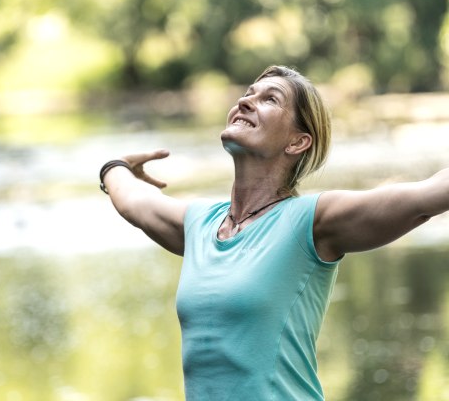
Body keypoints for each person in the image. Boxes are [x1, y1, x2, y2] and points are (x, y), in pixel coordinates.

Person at [99, 65, 448, 400]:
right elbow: (134, 203)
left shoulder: (313, 222)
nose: (245, 101)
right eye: (248, 93)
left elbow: (426, 196)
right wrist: (116, 168)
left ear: (298, 142)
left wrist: (119, 170)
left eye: (270, 99)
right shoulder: (199, 224)